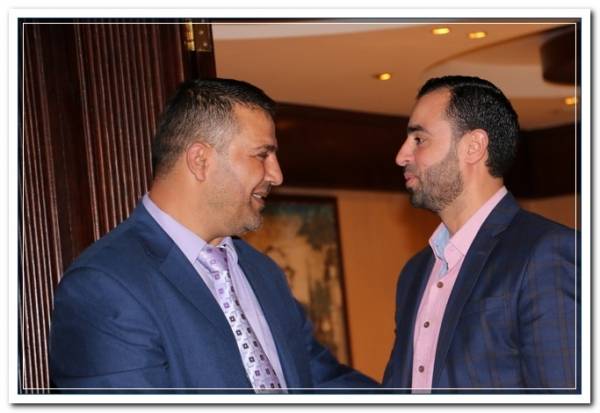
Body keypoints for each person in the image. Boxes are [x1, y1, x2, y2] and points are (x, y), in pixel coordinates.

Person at [49, 78, 378, 393]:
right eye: (262, 155)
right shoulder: (105, 285)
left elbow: (319, 380)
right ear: (200, 160)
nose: (276, 175)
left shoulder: (263, 272)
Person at [383, 75, 578, 393]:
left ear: (473, 147)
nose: (401, 156)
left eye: (419, 139)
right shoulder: (414, 273)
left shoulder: (545, 253)